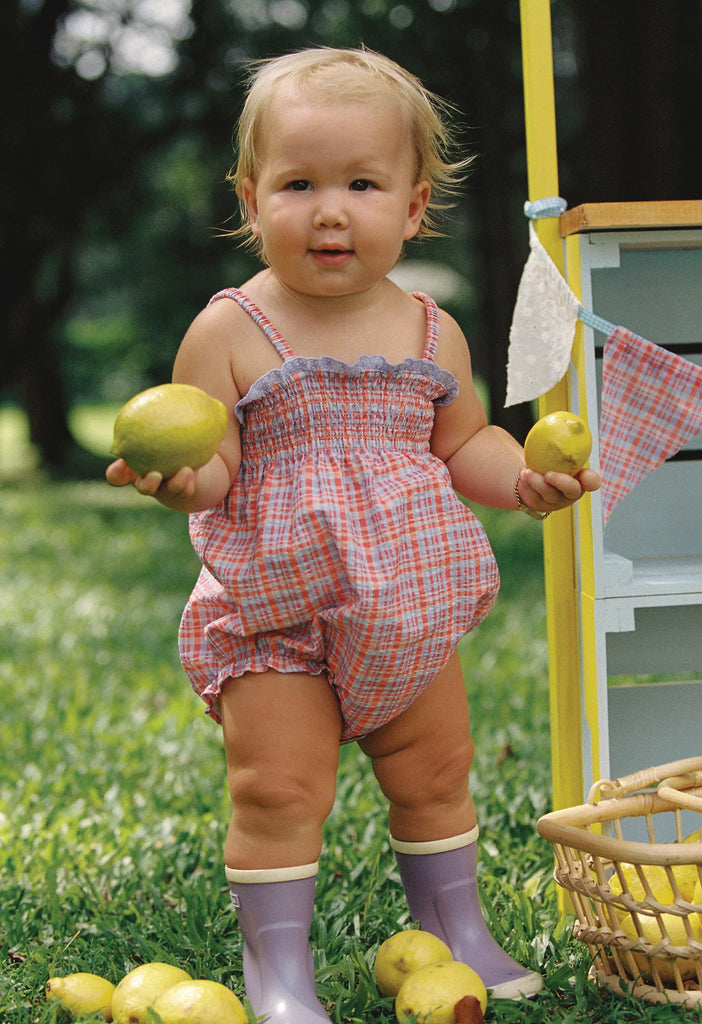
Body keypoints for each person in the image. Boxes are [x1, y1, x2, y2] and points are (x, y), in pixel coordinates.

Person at [107, 47, 600, 1022]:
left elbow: (463, 442)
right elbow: (214, 464)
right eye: (298, 183)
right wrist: (176, 482)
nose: (329, 209)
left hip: (407, 609)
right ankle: (279, 972)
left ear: (412, 207)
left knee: (435, 771)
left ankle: (457, 932)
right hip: (277, 615)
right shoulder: (232, 328)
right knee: (277, 786)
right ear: (251, 198)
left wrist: (525, 482)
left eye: (361, 184)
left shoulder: (431, 330)